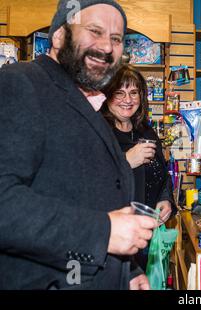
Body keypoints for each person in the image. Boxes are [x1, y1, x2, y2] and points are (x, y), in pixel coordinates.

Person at [0, 0, 158, 290]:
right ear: (59, 35)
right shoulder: (19, 84)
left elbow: (92, 199)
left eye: (116, 39)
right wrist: (103, 233)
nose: (107, 47)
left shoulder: (90, 104)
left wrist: (128, 271)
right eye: (95, 31)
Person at [101, 64, 176, 269]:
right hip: (112, 239)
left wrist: (165, 200)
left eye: (134, 92)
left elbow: (163, 175)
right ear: (107, 96)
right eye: (120, 93)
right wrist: (126, 162)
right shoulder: (98, 131)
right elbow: (87, 183)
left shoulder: (146, 132)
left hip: (146, 237)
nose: (128, 100)